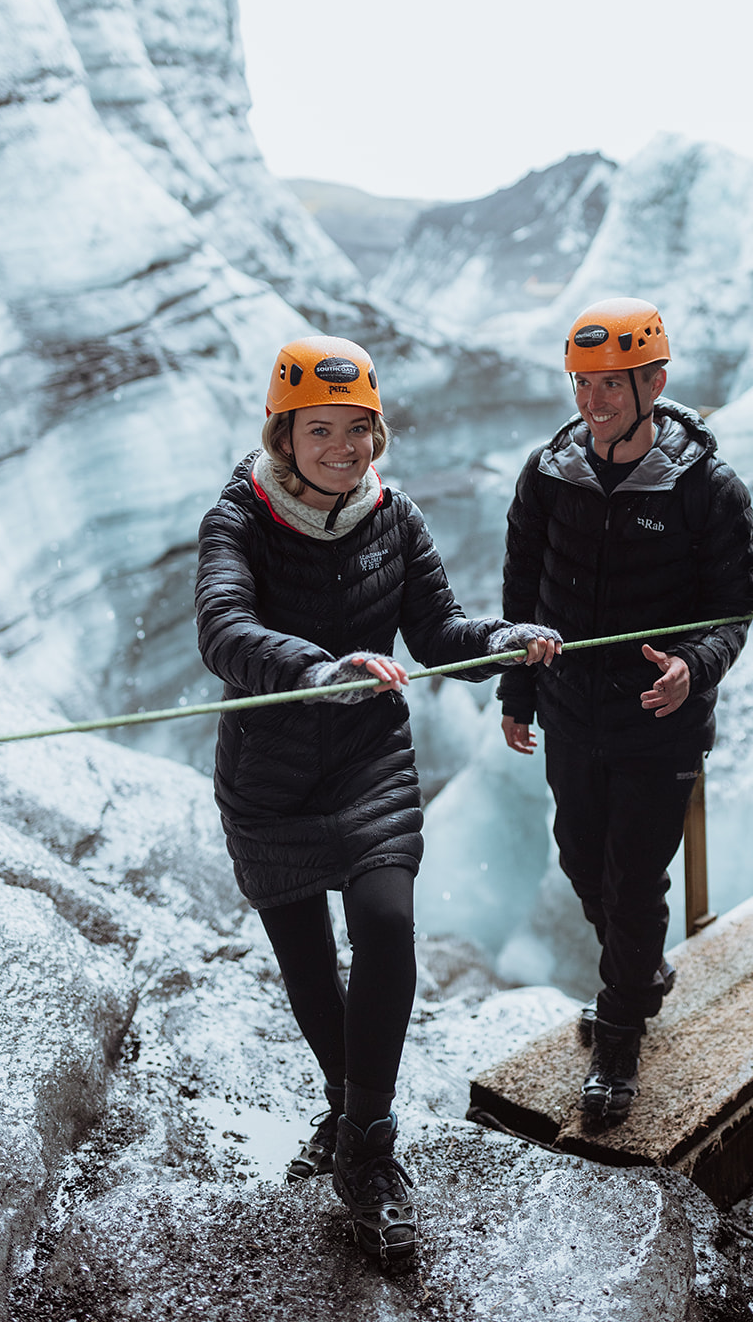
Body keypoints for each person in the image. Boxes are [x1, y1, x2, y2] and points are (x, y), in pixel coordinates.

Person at [195, 335, 558, 1264]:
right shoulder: (238, 518)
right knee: (311, 968)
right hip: (271, 779)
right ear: (283, 434)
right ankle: (348, 1111)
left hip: (365, 761)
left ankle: (367, 1143)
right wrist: (319, 671)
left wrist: (501, 638)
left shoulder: (395, 518)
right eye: (322, 431)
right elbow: (225, 629)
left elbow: (437, 632)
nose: (345, 449)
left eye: (359, 429)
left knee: (387, 923)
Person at [498, 298, 753, 1125]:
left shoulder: (706, 489)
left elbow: (732, 610)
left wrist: (693, 666)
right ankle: (640, 979)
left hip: (659, 723)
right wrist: (516, 691)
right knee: (580, 859)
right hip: (572, 712)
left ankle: (618, 1042)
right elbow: (520, 594)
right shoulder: (548, 473)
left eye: (610, 384)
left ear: (655, 379)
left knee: (634, 880)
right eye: (580, 383)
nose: (591, 402)